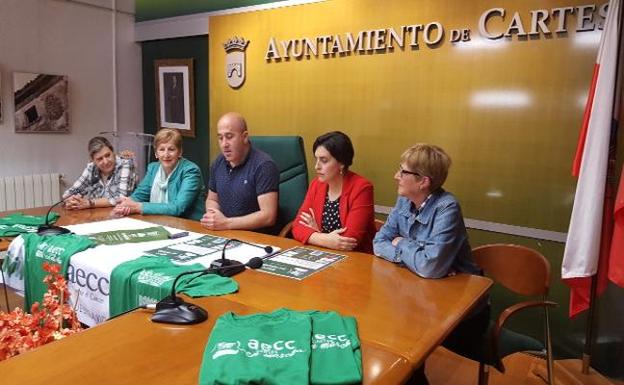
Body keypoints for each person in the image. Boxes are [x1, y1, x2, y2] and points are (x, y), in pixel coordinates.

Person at [372, 143, 488, 385]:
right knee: (388, 336)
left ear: (423, 182)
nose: (396, 177)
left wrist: (401, 243)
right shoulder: (404, 200)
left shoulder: (447, 207)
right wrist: (415, 255)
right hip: (418, 296)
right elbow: (378, 242)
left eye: (403, 172)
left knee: (404, 348)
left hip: (460, 311)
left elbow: (431, 267)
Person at [292, 131, 375, 252]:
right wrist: (324, 238)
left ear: (341, 163)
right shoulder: (317, 184)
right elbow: (297, 226)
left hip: (356, 260)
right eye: (316, 159)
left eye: (324, 160)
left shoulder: (362, 188)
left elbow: (349, 241)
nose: (317, 166)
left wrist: (315, 233)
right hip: (322, 254)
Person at [200, 112, 279, 232]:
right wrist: (214, 216)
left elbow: (268, 216)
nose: (224, 144)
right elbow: (212, 199)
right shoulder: (218, 162)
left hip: (255, 238)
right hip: (223, 233)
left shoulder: (263, 165)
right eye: (220, 138)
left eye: (229, 136)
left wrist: (226, 223)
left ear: (245, 137)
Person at [113, 128, 205, 220]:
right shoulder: (153, 168)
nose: (166, 154)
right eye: (161, 149)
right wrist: (125, 205)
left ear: (180, 152)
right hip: (160, 221)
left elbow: (178, 208)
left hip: (190, 225)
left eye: (171, 149)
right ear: (156, 153)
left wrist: (137, 207)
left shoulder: (191, 171)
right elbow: (139, 195)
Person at [63, 136, 136, 210]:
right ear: (93, 160)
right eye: (99, 159)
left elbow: (120, 198)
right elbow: (68, 193)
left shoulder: (125, 164)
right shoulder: (91, 168)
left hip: (123, 215)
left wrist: (90, 203)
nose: (106, 161)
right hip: (96, 216)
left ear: (113, 152)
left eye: (108, 155)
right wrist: (72, 201)